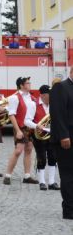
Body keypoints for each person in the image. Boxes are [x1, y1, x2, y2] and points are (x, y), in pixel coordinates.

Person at [3, 77, 37, 185]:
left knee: (29, 149)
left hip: (30, 127)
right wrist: (17, 130)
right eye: (27, 83)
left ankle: (27, 176)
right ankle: (7, 175)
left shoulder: (31, 97)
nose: (30, 84)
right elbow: (11, 114)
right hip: (20, 126)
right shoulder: (14, 97)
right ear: (21, 85)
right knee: (18, 150)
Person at [50, 66, 73, 219]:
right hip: (66, 140)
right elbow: (57, 114)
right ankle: (69, 209)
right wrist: (64, 136)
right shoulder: (60, 87)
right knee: (68, 175)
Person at [26, 85, 58, 191]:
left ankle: (52, 182)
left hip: (51, 134)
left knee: (53, 157)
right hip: (38, 136)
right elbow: (27, 121)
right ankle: (42, 182)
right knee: (42, 158)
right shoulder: (33, 104)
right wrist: (36, 126)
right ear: (43, 95)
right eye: (50, 94)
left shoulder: (53, 104)